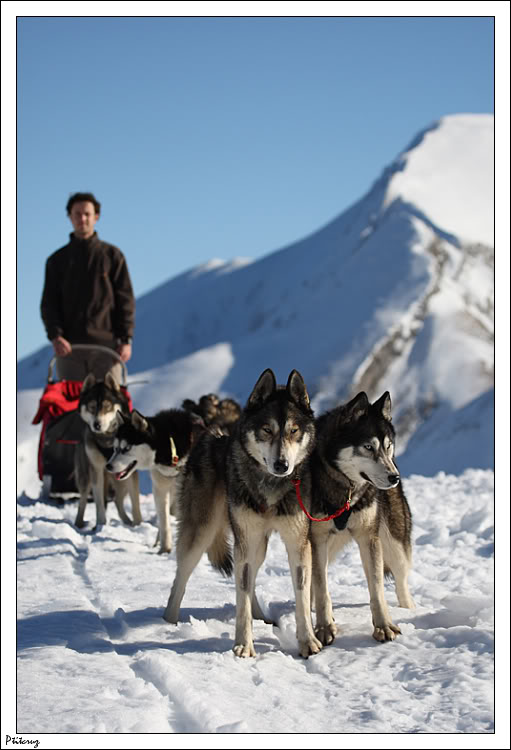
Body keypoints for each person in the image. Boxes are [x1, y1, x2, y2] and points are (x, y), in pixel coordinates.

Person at [40, 192, 135, 383]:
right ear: (69, 217)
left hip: (108, 349)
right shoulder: (57, 261)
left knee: (112, 409)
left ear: (96, 217)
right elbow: (49, 303)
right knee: (71, 409)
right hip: (70, 349)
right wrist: (56, 336)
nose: (82, 219)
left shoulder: (112, 256)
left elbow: (125, 300)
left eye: (87, 214)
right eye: (77, 214)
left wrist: (125, 339)